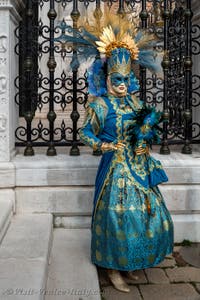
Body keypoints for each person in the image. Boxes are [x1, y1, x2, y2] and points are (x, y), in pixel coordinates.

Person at [59, 15, 174, 293]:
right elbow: (85, 133)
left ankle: (129, 264)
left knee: (147, 216)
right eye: (116, 79)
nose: (122, 84)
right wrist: (106, 146)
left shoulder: (136, 102)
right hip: (114, 171)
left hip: (139, 167)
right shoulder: (99, 106)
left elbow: (144, 128)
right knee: (117, 218)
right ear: (107, 77)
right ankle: (112, 268)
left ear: (132, 78)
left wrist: (145, 140)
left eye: (126, 79)